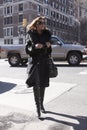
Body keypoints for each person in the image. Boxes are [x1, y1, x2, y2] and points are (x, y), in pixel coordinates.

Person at [25, 16, 52, 119]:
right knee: (36, 85)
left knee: (43, 85)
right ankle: (37, 108)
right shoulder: (31, 34)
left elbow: (49, 51)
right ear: (36, 24)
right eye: (40, 23)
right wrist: (34, 47)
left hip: (44, 62)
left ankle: (41, 105)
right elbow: (27, 49)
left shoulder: (47, 34)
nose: (43, 25)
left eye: (43, 23)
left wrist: (48, 46)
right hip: (35, 62)